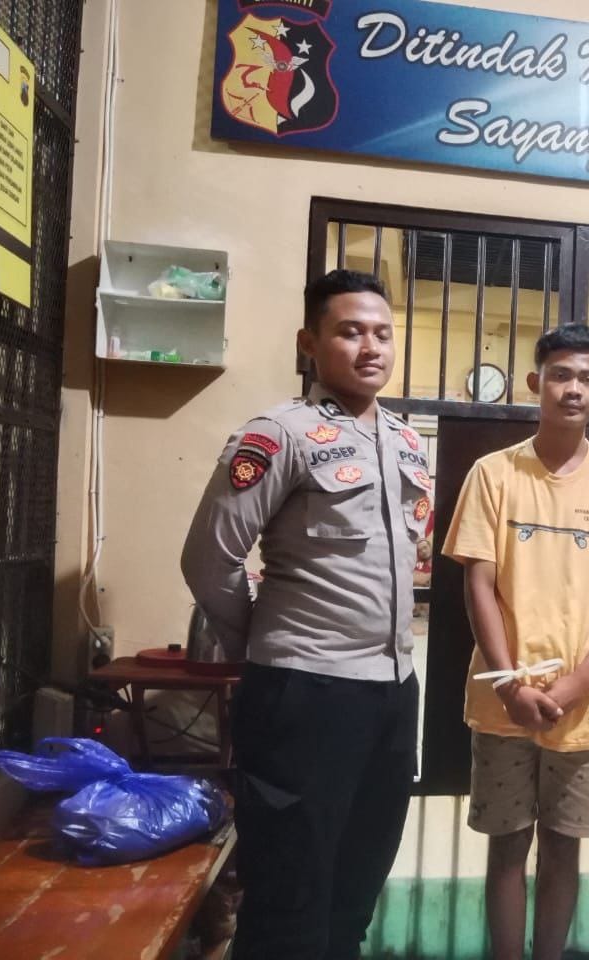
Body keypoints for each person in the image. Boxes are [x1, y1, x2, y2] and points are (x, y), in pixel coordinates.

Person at [181, 269, 431, 960]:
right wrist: (261, 644)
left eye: (382, 333)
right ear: (310, 342)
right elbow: (209, 560)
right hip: (304, 694)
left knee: (355, 896)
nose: (370, 347)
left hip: (392, 694)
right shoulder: (279, 435)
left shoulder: (406, 442)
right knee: (289, 903)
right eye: (350, 332)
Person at [442, 323, 589, 960]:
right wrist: (511, 684)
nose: (573, 389)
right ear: (536, 383)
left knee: (564, 848)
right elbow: (478, 584)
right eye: (561, 375)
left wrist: (581, 681)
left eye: (587, 378)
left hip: (585, 705)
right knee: (507, 846)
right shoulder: (493, 474)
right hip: (502, 702)